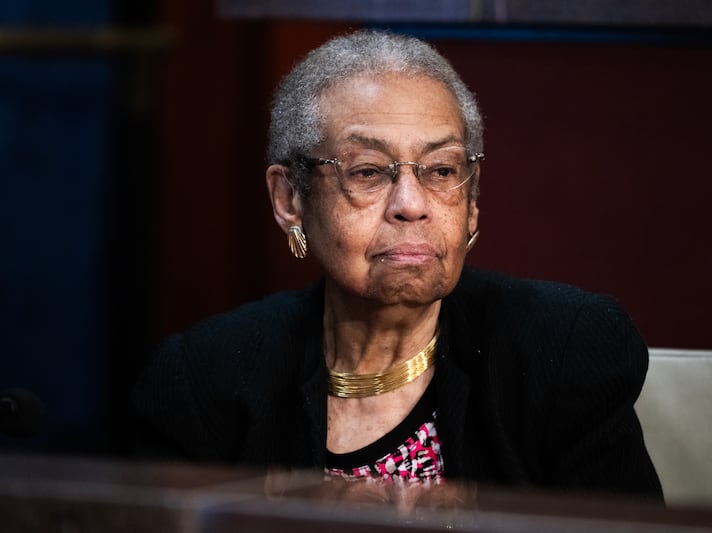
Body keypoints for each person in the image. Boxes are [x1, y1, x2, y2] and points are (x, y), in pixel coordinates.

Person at [131, 29, 662, 501]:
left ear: (472, 199)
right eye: (367, 171)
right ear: (290, 198)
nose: (412, 203)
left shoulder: (564, 352)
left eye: (441, 169)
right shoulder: (205, 379)